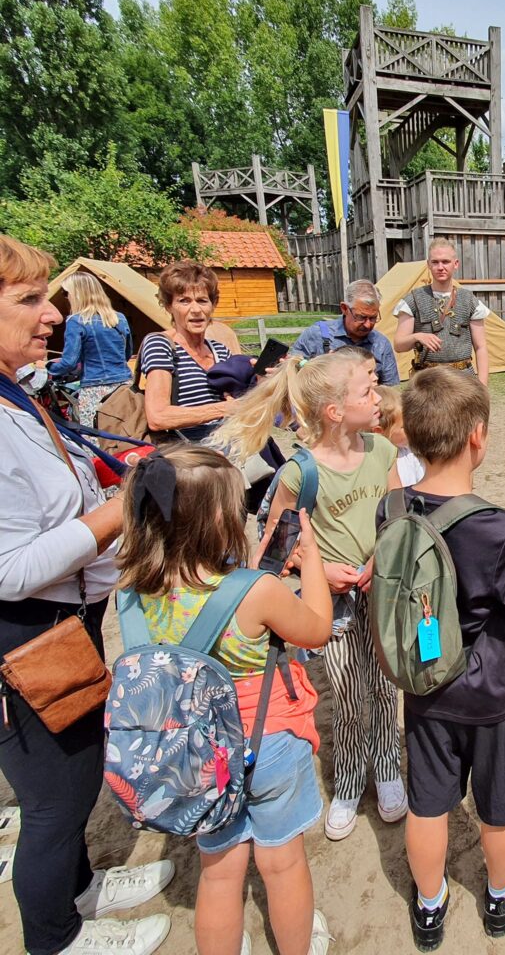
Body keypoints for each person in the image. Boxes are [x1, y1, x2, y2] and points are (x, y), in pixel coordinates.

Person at [0, 235, 172, 955]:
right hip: (24, 639)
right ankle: (58, 938)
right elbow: (7, 569)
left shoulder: (15, 391)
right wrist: (115, 509)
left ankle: (79, 888)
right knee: (53, 801)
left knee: (72, 775)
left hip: (61, 623)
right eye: (30, 299)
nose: (53, 314)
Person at [117, 446, 334, 955]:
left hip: (192, 749)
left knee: (217, 872)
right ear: (218, 519)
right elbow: (318, 628)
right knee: (281, 863)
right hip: (267, 743)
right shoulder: (255, 593)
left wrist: (253, 573)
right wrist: (315, 563)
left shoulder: (132, 589)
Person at [382, 367, 505, 951]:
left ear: (411, 433)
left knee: (428, 802)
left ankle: (430, 907)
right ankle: (500, 899)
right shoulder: (500, 528)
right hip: (493, 692)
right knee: (501, 804)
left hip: (425, 686)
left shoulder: (393, 508)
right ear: (477, 435)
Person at [213, 352, 407, 842]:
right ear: (334, 412)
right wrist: (316, 569)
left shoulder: (383, 453)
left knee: (385, 688)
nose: (378, 399)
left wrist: (379, 562)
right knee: (346, 693)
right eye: (366, 392)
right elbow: (274, 547)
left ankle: (385, 767)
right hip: (335, 609)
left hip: (381, 595)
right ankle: (348, 778)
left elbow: (398, 520)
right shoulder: (301, 473)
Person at [140, 261, 234, 443]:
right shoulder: (160, 345)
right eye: (184, 301)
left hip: (228, 447)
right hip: (187, 458)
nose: (196, 310)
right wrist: (224, 409)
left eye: (202, 300)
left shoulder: (220, 351)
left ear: (213, 304)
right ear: (168, 306)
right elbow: (158, 417)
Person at [393, 238, 489, 385]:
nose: (440, 267)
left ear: (455, 264)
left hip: (463, 380)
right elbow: (399, 345)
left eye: (445, 262)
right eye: (435, 262)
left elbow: (481, 347)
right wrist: (418, 336)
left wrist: (482, 385)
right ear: (428, 265)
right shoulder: (413, 299)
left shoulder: (469, 300)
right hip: (427, 381)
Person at [47, 270, 132, 427]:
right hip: (125, 385)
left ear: (76, 294)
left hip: (94, 389)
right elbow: (126, 354)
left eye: (66, 293)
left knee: (95, 436)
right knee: (127, 432)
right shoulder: (119, 318)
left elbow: (69, 362)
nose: (65, 297)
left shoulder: (76, 321)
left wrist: (49, 368)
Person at [290, 280, 400, 386]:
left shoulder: (381, 344)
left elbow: (391, 391)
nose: (367, 324)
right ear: (344, 308)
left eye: (373, 318)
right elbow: (291, 374)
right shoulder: (316, 335)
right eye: (361, 317)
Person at [375, 385, 424, 486]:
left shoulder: (411, 450)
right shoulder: (382, 463)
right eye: (403, 427)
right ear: (379, 432)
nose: (412, 428)